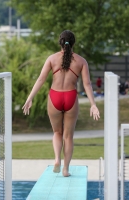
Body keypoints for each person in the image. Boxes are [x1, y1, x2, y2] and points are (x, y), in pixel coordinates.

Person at [22, 30, 100, 177]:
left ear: (60, 42)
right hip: (70, 97)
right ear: (73, 43)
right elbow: (87, 84)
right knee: (68, 136)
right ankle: (65, 169)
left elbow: (41, 79)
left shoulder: (52, 59)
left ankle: (57, 159)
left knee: (57, 132)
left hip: (55, 97)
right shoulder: (82, 61)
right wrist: (93, 104)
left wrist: (30, 98)